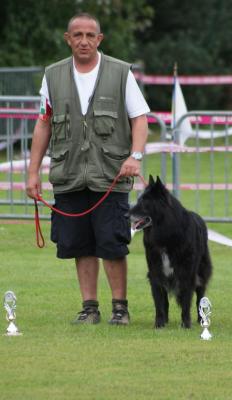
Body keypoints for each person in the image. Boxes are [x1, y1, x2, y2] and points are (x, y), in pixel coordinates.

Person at [26, 13, 150, 325]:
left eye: (90, 35)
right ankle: (89, 308)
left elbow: (139, 119)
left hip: (111, 174)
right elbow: (43, 124)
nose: (84, 40)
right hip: (68, 174)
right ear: (68, 38)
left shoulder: (121, 72)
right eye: (77, 35)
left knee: (112, 244)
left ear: (99, 39)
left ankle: (119, 308)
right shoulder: (52, 75)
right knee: (79, 244)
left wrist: (135, 155)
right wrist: (32, 172)